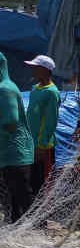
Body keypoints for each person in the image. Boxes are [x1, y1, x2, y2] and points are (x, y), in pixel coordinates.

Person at [0, 52, 34, 222]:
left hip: (15, 152)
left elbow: (11, 121)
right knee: (14, 198)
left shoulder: (5, 89)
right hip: (9, 153)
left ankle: (31, 233)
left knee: (21, 197)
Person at [25, 55, 60, 196]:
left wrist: (42, 145)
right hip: (30, 142)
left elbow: (51, 121)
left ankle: (39, 213)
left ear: (45, 70)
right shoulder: (35, 88)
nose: (32, 71)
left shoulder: (51, 93)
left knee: (40, 182)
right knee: (29, 179)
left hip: (42, 146)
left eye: (35, 68)